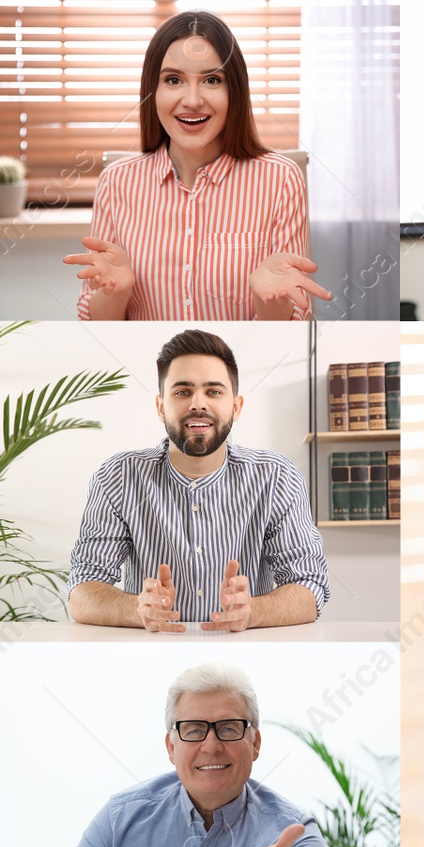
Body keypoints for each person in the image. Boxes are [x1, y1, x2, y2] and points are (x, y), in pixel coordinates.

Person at [31, 663, 327, 847]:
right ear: (171, 746)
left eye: (228, 728)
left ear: (255, 743)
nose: (211, 746)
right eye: (194, 730)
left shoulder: (294, 833)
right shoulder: (119, 819)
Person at [64, 10, 331, 322]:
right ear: (153, 90)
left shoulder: (281, 179)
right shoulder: (116, 181)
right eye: (173, 80)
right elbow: (96, 326)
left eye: (212, 79)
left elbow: (294, 329)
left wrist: (269, 300)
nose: (192, 100)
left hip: (243, 367)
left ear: (235, 91)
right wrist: (115, 291)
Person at [66, 328, 329, 631]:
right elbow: (83, 588)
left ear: (236, 406)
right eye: (182, 392)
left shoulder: (277, 477)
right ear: (160, 406)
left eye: (214, 391)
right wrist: (136, 609)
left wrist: (252, 611)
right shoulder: (117, 477)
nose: (198, 404)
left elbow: (310, 586)